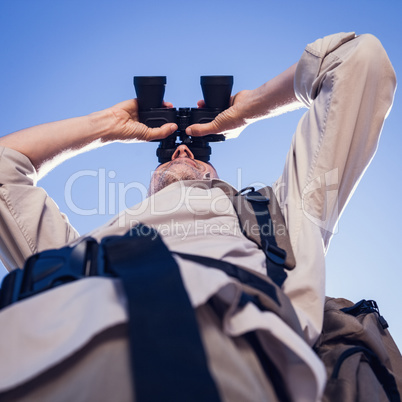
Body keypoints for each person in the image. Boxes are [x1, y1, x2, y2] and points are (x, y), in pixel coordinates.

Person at [0, 32, 396, 401]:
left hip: (219, 361)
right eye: (172, 152)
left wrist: (248, 109)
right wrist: (106, 127)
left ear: (216, 175)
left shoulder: (279, 221)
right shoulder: (82, 252)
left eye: (197, 153)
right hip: (39, 357)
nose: (183, 151)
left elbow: (358, 61)